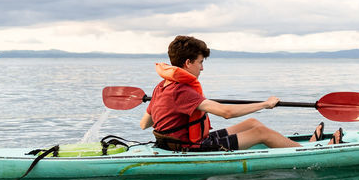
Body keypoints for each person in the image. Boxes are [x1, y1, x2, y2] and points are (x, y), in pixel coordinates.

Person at [140, 35, 342, 151]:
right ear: (188, 63)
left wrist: (163, 108)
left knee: (252, 123)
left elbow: (144, 124)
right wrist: (265, 104)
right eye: (200, 62)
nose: (202, 68)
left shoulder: (162, 86)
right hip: (191, 148)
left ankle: (292, 144)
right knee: (260, 132)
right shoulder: (182, 91)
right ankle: (307, 151)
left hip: (177, 142)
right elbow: (226, 113)